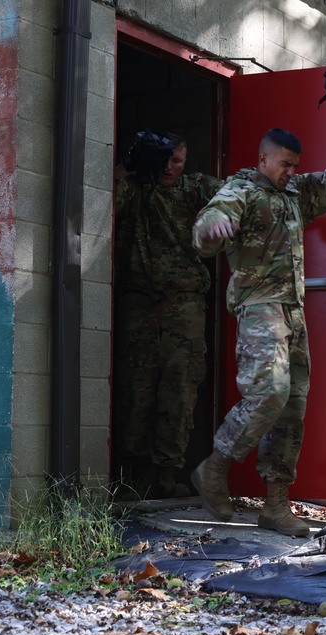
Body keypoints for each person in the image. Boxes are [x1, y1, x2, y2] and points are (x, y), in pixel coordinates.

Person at [190, 109, 326, 537]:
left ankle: (275, 505)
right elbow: (209, 220)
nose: (291, 172)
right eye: (285, 164)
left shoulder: (295, 194)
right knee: (270, 390)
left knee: (292, 407)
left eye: (295, 166)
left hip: (293, 313)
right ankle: (214, 467)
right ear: (264, 159)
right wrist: (212, 231)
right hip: (259, 308)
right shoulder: (242, 190)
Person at [112, 131, 224, 499]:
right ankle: (131, 477)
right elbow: (95, 196)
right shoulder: (133, 190)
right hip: (139, 302)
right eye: (165, 160)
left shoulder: (193, 188)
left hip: (185, 304)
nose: (170, 168)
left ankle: (165, 477)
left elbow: (237, 194)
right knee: (135, 388)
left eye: (177, 160)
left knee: (180, 386)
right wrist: (129, 166)